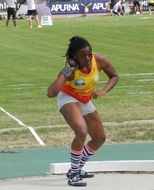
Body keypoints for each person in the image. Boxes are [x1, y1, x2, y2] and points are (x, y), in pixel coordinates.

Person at [47, 36, 118, 186]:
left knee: (99, 138)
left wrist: (103, 91)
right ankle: (73, 173)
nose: (87, 58)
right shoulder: (70, 70)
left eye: (89, 53)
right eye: (83, 55)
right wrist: (67, 70)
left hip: (85, 99)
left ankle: (77, 167)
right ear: (74, 57)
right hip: (68, 98)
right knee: (81, 130)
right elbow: (51, 93)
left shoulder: (98, 60)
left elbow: (114, 76)